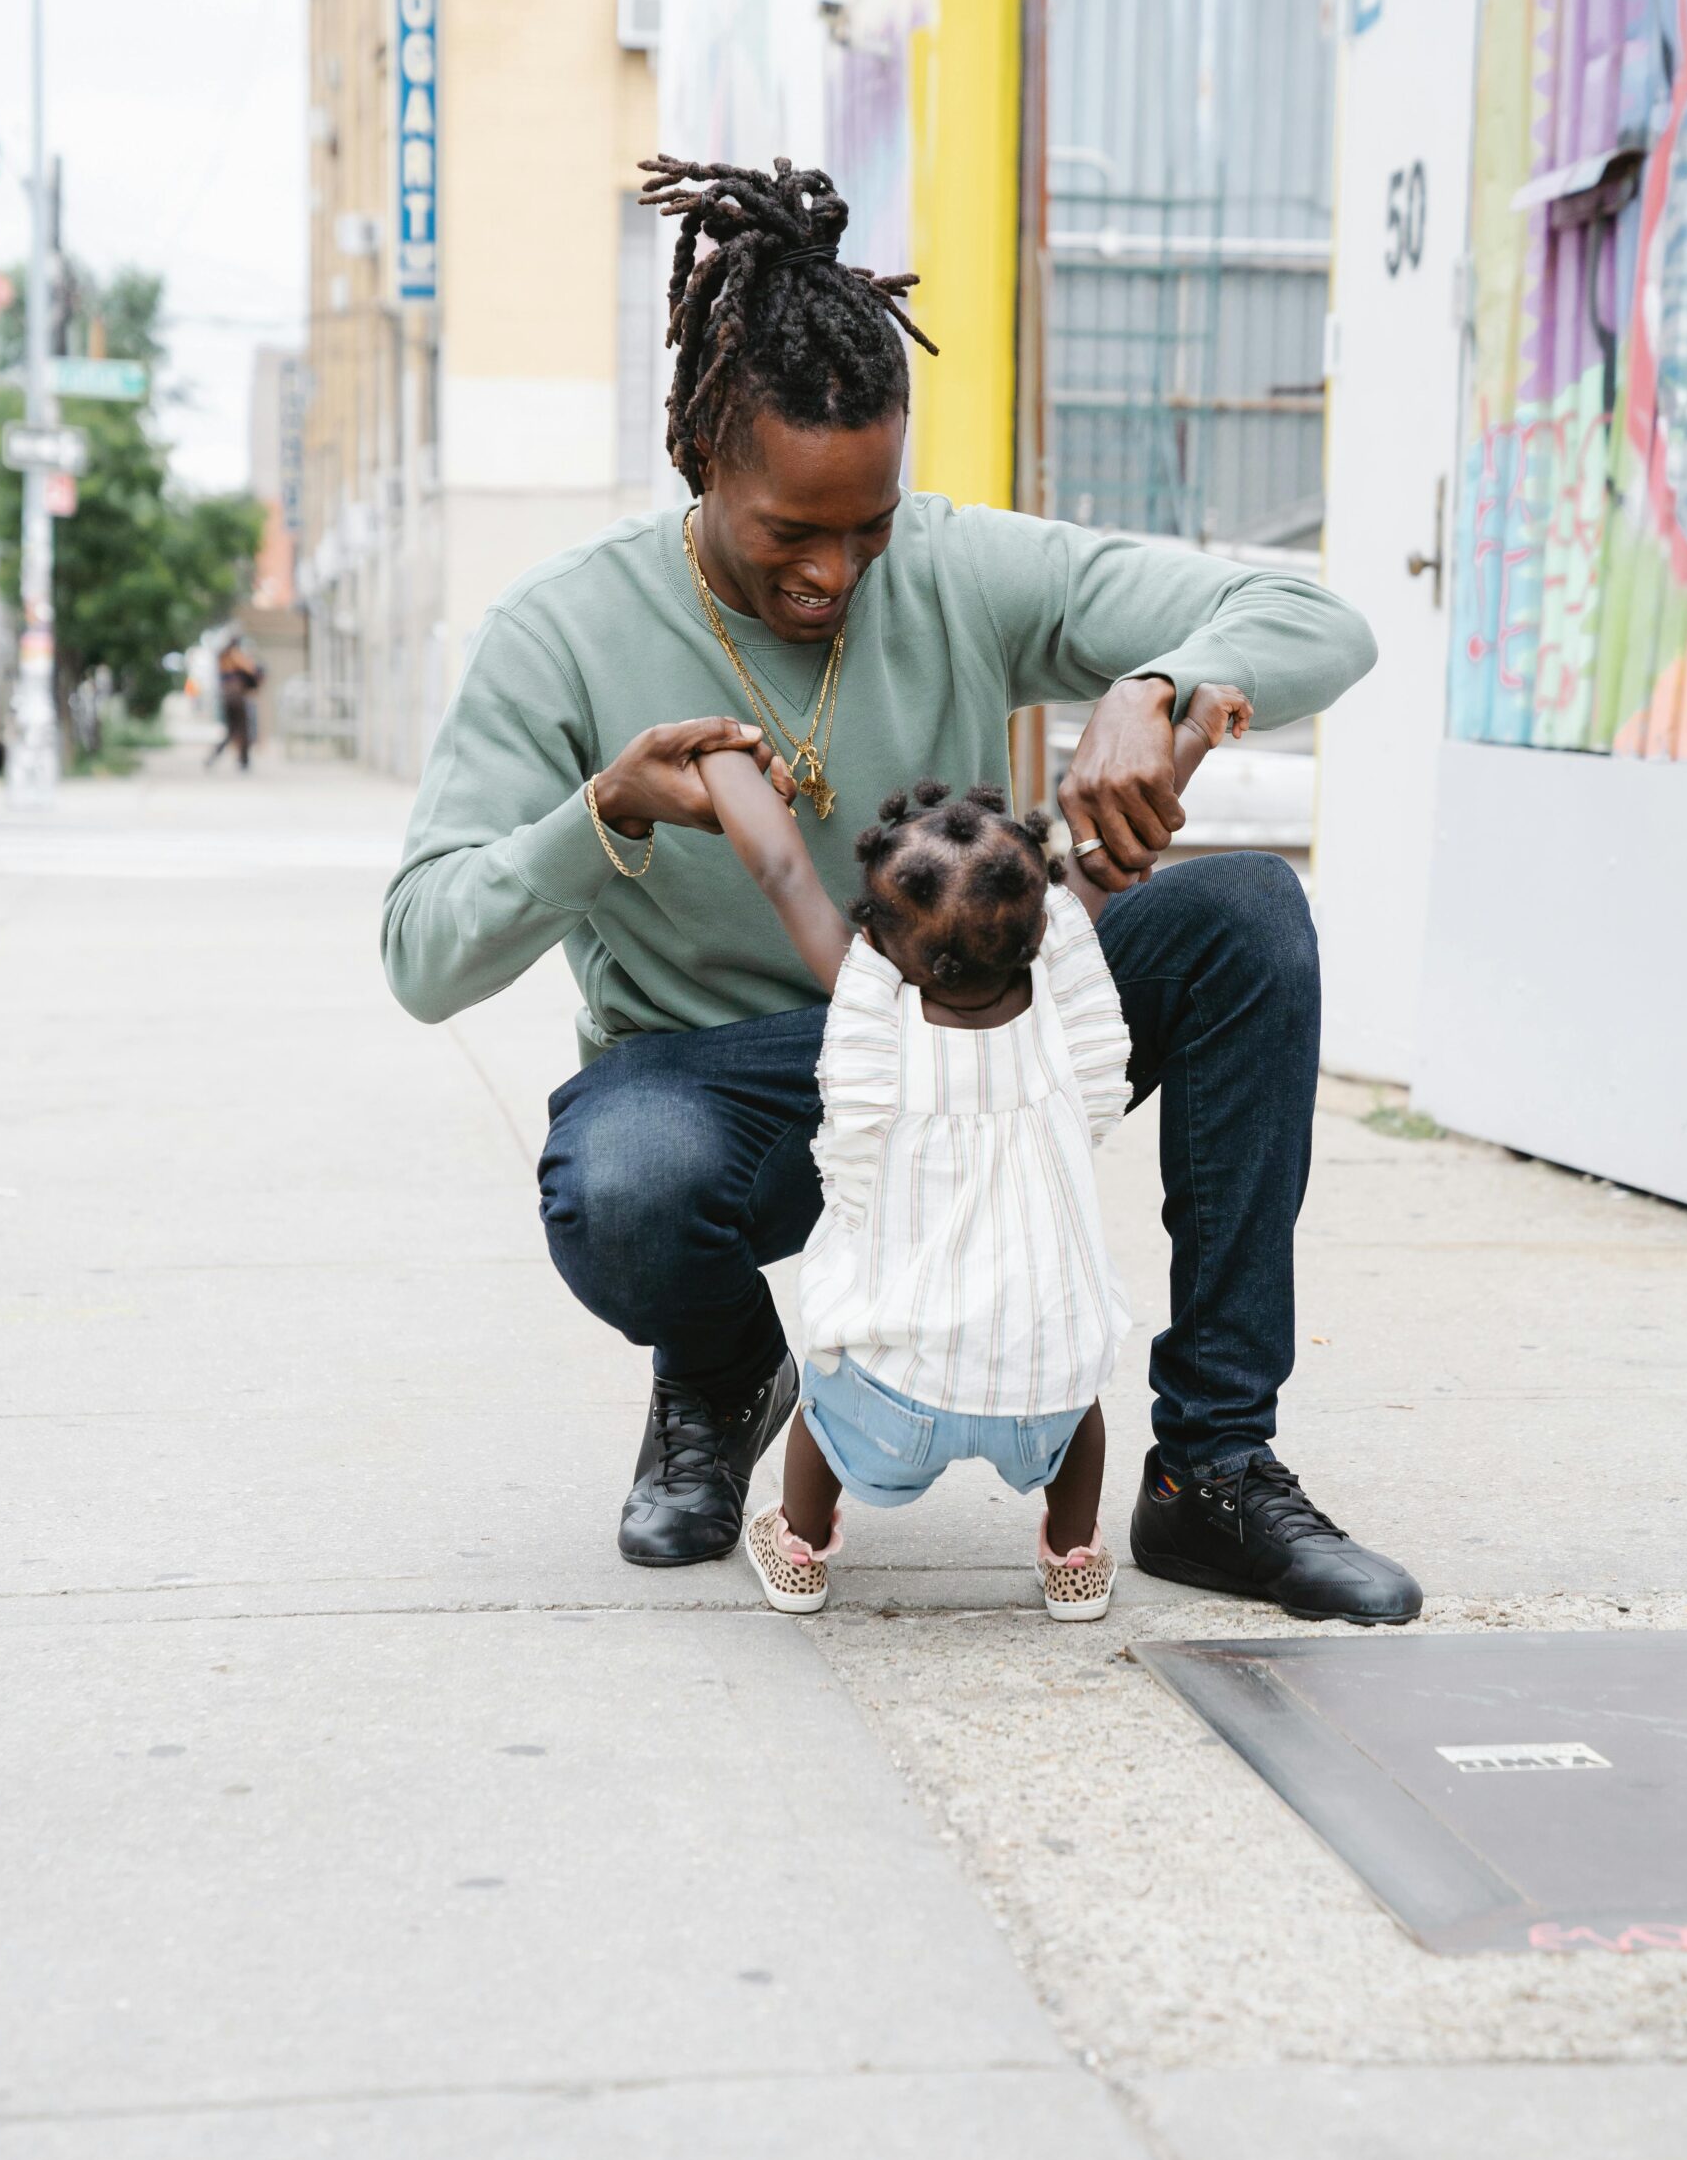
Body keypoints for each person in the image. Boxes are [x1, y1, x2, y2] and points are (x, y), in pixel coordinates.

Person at [383, 153, 1422, 1625]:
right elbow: (422, 955)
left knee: (1247, 916)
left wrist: (1168, 681)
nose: (834, 571)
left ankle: (1209, 1469)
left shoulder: (948, 564)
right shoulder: (559, 631)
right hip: (715, 1088)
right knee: (618, 1190)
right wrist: (601, 810)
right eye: (787, 532)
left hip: (965, 1030)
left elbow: (1319, 620)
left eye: (862, 525)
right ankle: (727, 1367)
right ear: (699, 461)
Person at [698, 685, 1251, 1621]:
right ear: (1038, 929)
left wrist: (720, 763)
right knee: (1082, 1411)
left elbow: (785, 875)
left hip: (893, 1394)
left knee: (823, 1410)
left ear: (882, 936)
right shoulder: (1069, 1052)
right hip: (1040, 1388)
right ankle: (1073, 1558)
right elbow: (1112, 857)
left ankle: (795, 1544)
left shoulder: (873, 1018)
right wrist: (1191, 731)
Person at [207, 638, 261, 772]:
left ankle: (215, 756)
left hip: (226, 696)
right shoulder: (234, 655)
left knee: (232, 730)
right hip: (236, 697)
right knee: (243, 729)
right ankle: (244, 761)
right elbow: (251, 669)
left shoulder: (222, 657)